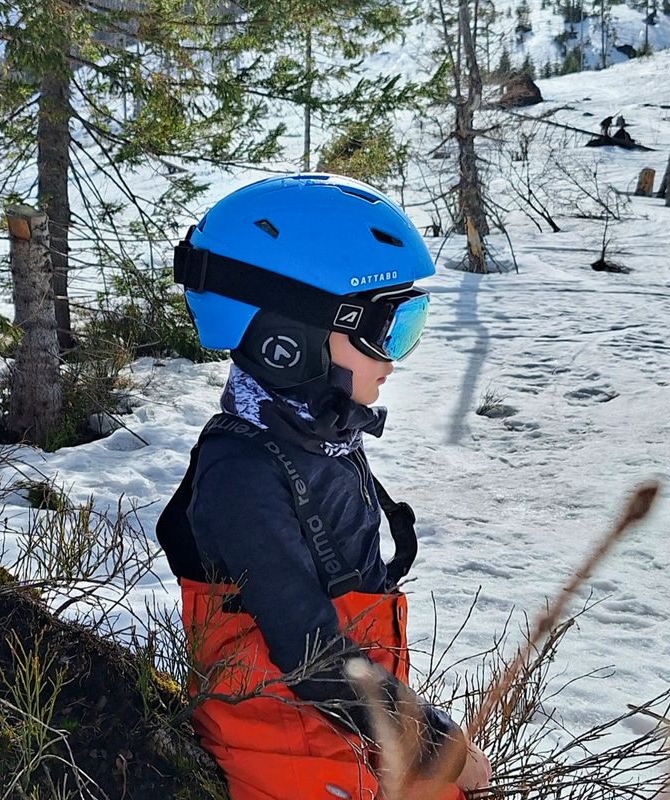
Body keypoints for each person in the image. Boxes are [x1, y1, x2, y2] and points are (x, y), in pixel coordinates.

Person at [158, 174, 492, 800]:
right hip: (286, 761)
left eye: (407, 326)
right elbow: (309, 650)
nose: (393, 360)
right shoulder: (242, 473)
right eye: (384, 330)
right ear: (288, 341)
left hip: (338, 746)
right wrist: (429, 738)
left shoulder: (316, 436)